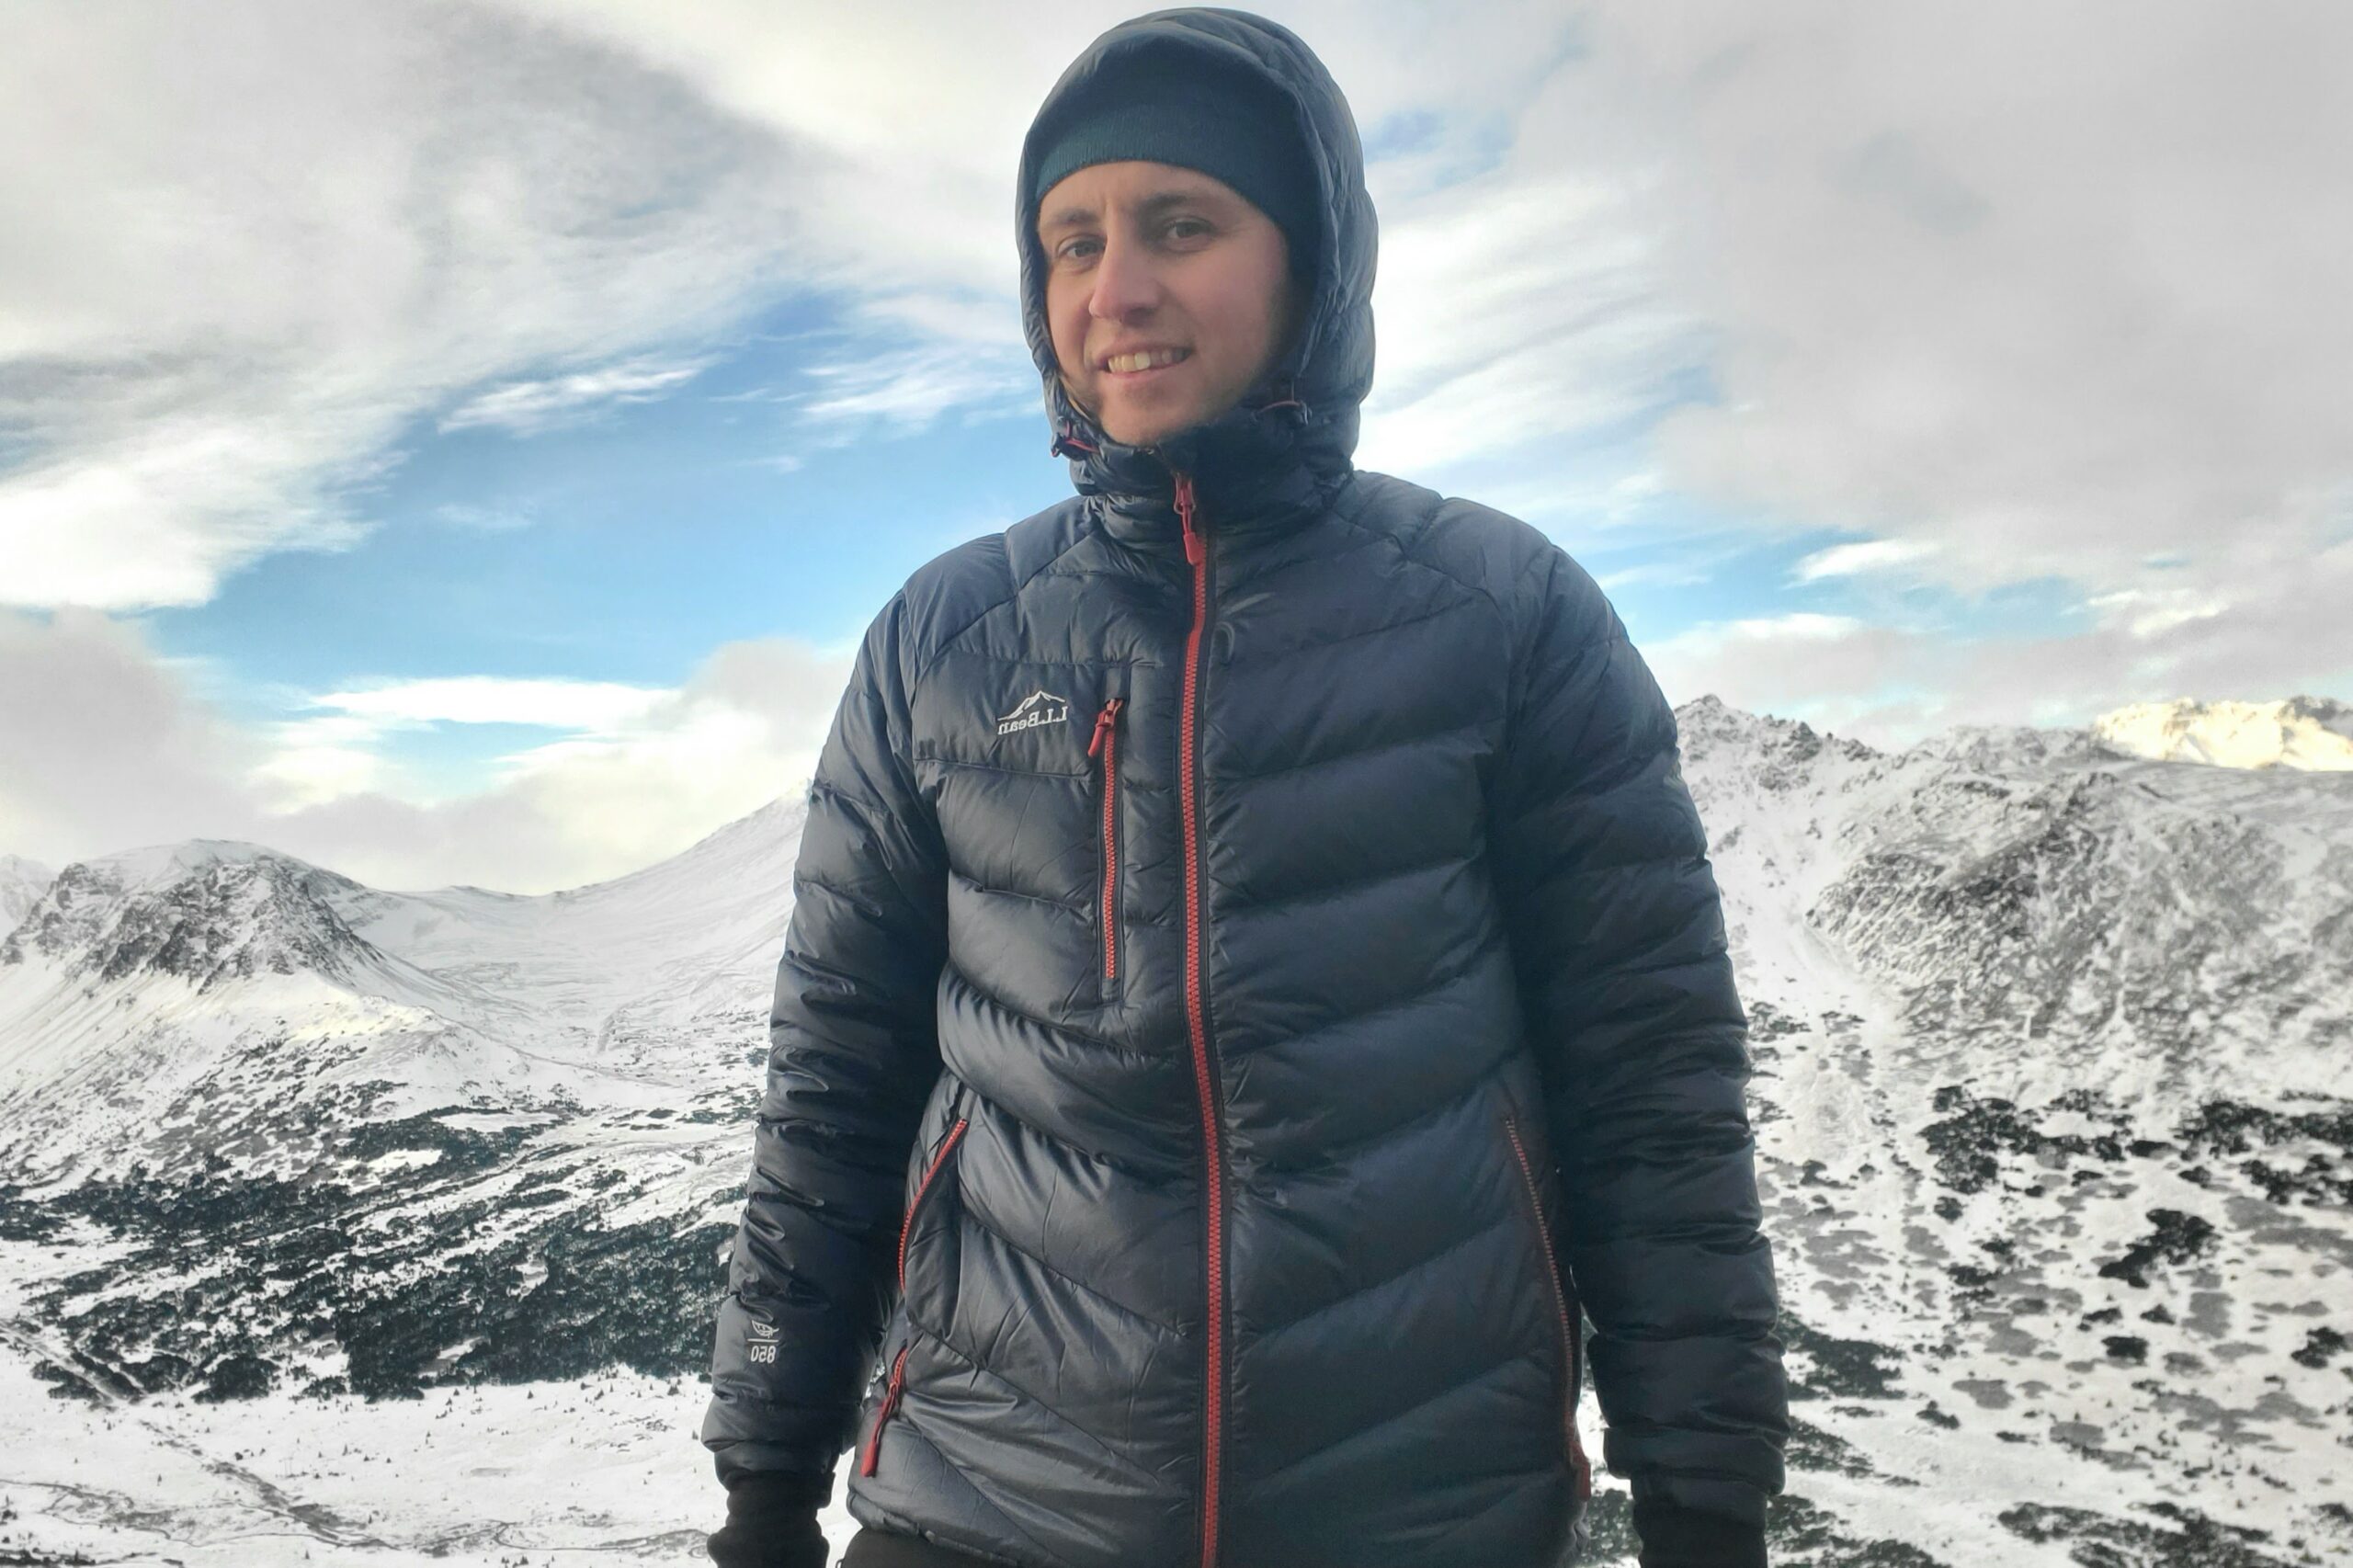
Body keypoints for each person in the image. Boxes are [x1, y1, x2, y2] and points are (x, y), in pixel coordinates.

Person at [701, 8, 1789, 1567]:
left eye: (1180, 224)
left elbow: (1654, 1098)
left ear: (1313, 259)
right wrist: (760, 1488)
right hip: (985, 1510)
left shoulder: (1503, 617)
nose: (1115, 290)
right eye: (1069, 244)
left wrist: (1705, 1501)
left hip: (1415, 1514)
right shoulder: (943, 642)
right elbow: (833, 1094)